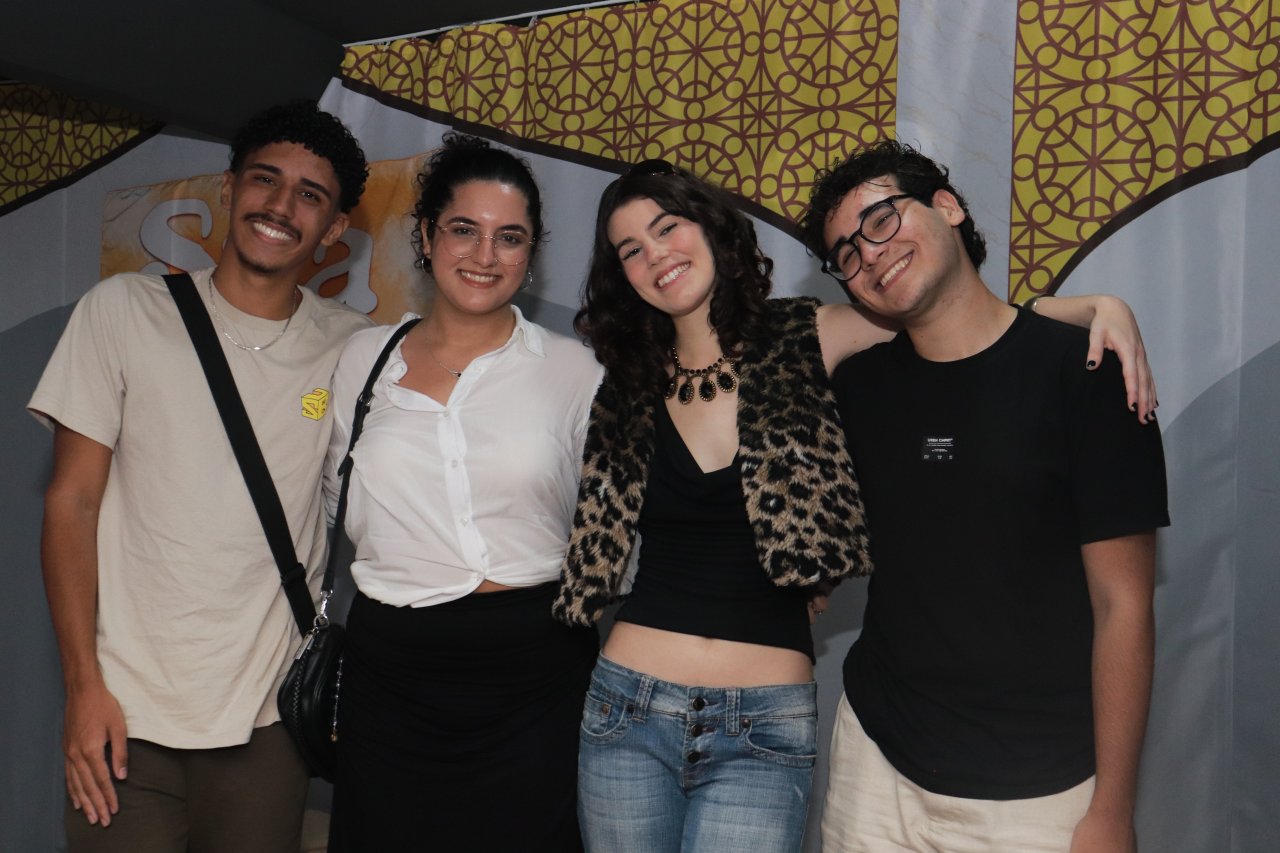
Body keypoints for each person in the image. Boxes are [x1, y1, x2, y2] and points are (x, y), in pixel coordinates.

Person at [553, 159, 1156, 853]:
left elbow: (960, 318)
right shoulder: (623, 381)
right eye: (631, 249)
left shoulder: (812, 335)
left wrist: (1086, 307)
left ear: (711, 227)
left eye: (668, 227)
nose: (656, 254)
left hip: (764, 721)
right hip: (629, 706)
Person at [799, 139, 1169, 852]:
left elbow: (1123, 605)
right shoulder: (859, 387)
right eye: (846, 252)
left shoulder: (1089, 373)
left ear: (947, 206)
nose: (869, 253)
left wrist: (1113, 810)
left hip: (1042, 792)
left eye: (881, 219)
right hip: (878, 769)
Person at [29, 101, 373, 852]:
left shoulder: (354, 350)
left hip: (268, 723)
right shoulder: (122, 310)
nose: (280, 206)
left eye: (310, 195)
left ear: (335, 228)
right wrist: (82, 688)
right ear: (228, 187)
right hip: (123, 717)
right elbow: (71, 501)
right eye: (265, 179)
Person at [323, 133, 602, 852]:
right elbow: (332, 501)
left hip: (538, 675)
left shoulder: (576, 371)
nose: (485, 254)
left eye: (509, 237)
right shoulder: (362, 360)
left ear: (531, 252)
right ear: (426, 236)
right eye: (463, 229)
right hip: (391, 677)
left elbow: (616, 530)